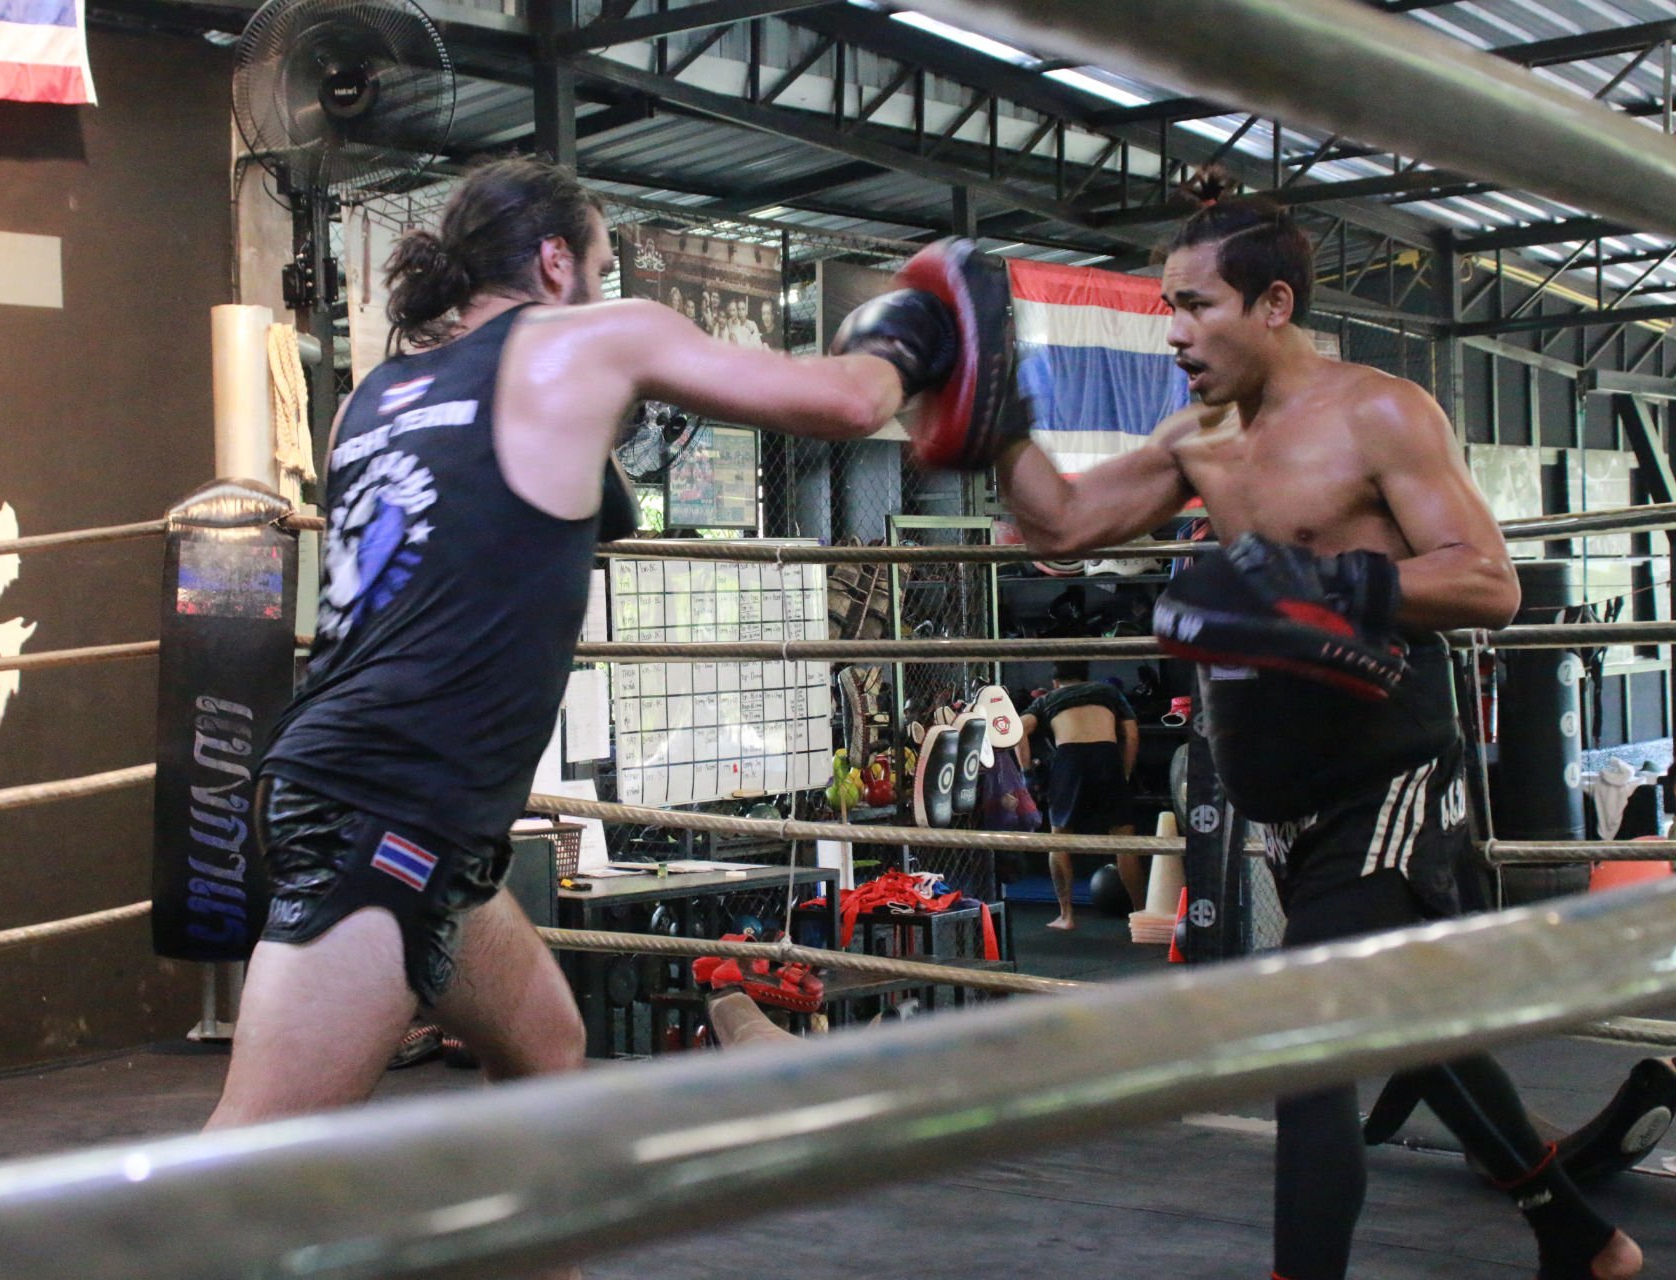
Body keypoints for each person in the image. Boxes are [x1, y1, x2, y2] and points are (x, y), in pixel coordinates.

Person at [207, 157, 921, 1189]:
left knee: (542, 1048)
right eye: (599, 266)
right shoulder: (587, 337)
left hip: (377, 799)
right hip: (384, 816)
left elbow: (478, 522)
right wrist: (928, 324)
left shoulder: (371, 397)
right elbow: (849, 404)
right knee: (238, 1180)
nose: (605, 293)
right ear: (554, 262)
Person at [983, 169, 1640, 1279]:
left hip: (1388, 773)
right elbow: (1058, 528)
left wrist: (1329, 587)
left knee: (1312, 1028)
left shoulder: (1378, 411)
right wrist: (983, 412)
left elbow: (1488, 583)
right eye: (1166, 306)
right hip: (1280, 790)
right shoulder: (1199, 437)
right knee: (1406, 1022)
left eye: (1196, 305)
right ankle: (1579, 1236)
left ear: (1275, 304)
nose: (1173, 330)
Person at [1021, 660, 1140, 930]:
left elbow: (1018, 730)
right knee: (1124, 839)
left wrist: (1027, 773)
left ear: (1055, 682)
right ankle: (1139, 913)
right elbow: (1131, 735)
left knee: (1060, 839)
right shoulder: (1108, 693)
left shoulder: (1048, 699)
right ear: (1087, 678)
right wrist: (1125, 772)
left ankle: (1066, 915)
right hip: (1107, 754)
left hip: (1070, 757)